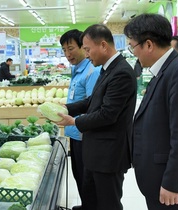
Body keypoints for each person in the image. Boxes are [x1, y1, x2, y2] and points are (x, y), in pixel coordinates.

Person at [124, 13, 178, 210]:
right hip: (159, 176)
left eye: (133, 46)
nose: (133, 53)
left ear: (148, 44)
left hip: (172, 185)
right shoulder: (165, 69)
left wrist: (172, 183)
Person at [57, 24, 137, 210]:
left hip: (109, 154)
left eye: (87, 49)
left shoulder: (122, 72)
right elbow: (92, 101)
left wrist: (75, 121)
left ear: (103, 45)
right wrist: (66, 108)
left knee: (108, 202)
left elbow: (107, 114)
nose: (86, 55)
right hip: (96, 151)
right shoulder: (106, 69)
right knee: (92, 199)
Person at [59, 29, 100, 209]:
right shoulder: (77, 70)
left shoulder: (92, 71)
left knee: (87, 181)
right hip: (75, 134)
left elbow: (93, 106)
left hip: (85, 135)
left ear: (83, 47)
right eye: (64, 50)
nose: (68, 54)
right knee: (79, 175)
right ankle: (85, 206)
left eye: (71, 48)